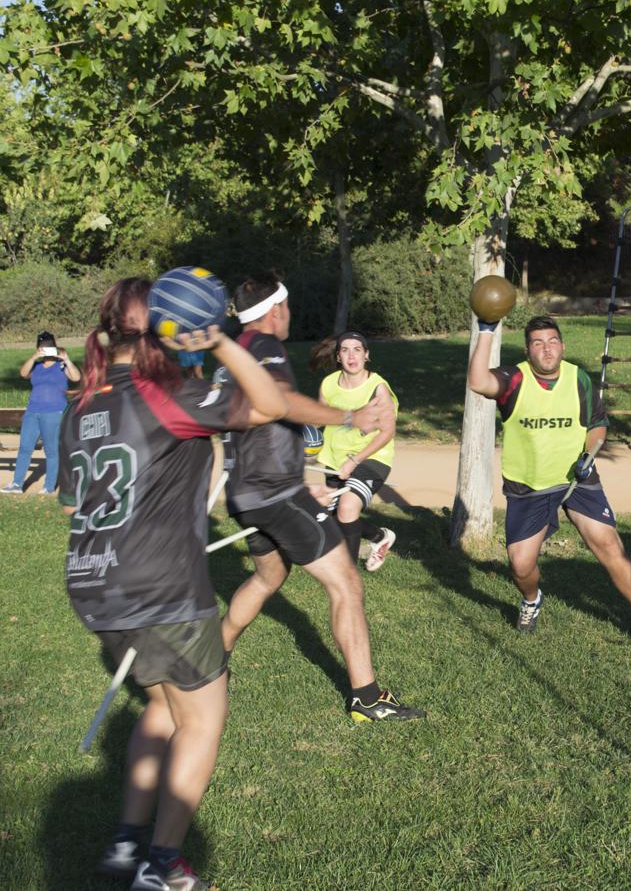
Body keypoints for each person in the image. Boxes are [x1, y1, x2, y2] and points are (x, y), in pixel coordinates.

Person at [63, 278, 288, 891]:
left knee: (163, 703)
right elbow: (268, 404)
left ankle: (126, 842)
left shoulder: (84, 400)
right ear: (162, 327)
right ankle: (162, 867)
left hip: (92, 584)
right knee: (203, 718)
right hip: (159, 585)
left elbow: (71, 502)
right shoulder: (169, 394)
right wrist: (219, 342)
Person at [216, 272, 424, 723]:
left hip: (246, 491)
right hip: (274, 492)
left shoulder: (229, 354)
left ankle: (211, 663)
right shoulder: (264, 347)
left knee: (267, 579)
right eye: (287, 308)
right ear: (275, 310)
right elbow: (280, 402)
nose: (288, 315)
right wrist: (349, 417)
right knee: (346, 583)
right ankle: (367, 699)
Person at [466, 314, 631, 638]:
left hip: (576, 479)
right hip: (528, 486)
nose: (546, 350)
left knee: (608, 544)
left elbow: (598, 426)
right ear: (527, 350)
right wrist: (487, 332)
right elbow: (478, 382)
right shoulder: (514, 380)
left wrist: (588, 456)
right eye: (538, 344)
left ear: (562, 346)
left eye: (552, 342)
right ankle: (532, 600)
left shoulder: (579, 380)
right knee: (521, 566)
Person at [312, 331, 398, 571]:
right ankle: (380, 536)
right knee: (332, 517)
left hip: (372, 458)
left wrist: (354, 460)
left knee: (347, 507)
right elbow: (318, 419)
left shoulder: (377, 388)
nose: (351, 356)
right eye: (345, 350)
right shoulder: (328, 384)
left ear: (366, 355)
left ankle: (347, 577)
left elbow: (387, 432)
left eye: (357, 350)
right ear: (338, 356)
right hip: (335, 460)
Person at [3, 331, 81, 494]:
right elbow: (23, 373)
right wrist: (33, 357)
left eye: (48, 347)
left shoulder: (62, 366)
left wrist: (66, 359)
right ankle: (17, 484)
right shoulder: (37, 367)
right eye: (42, 347)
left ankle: (49, 486)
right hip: (33, 412)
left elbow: (76, 378)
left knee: (51, 450)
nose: (45, 350)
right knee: (24, 448)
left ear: (54, 347)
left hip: (54, 412)